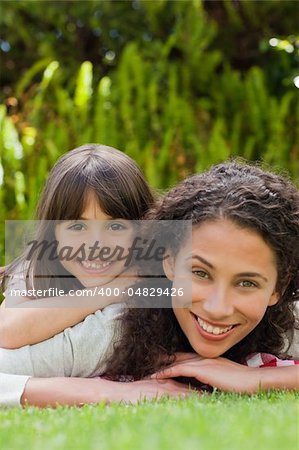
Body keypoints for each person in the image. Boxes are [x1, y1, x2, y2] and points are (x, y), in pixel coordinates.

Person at [0, 161, 298, 407]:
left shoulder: (282, 320)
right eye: (200, 273)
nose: (217, 308)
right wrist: (111, 393)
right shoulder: (116, 329)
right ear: (168, 262)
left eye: (246, 283)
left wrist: (256, 379)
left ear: (277, 288)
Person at [0, 143, 154, 348]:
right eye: (78, 226)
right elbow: (8, 331)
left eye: (115, 226)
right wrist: (117, 287)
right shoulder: (33, 271)